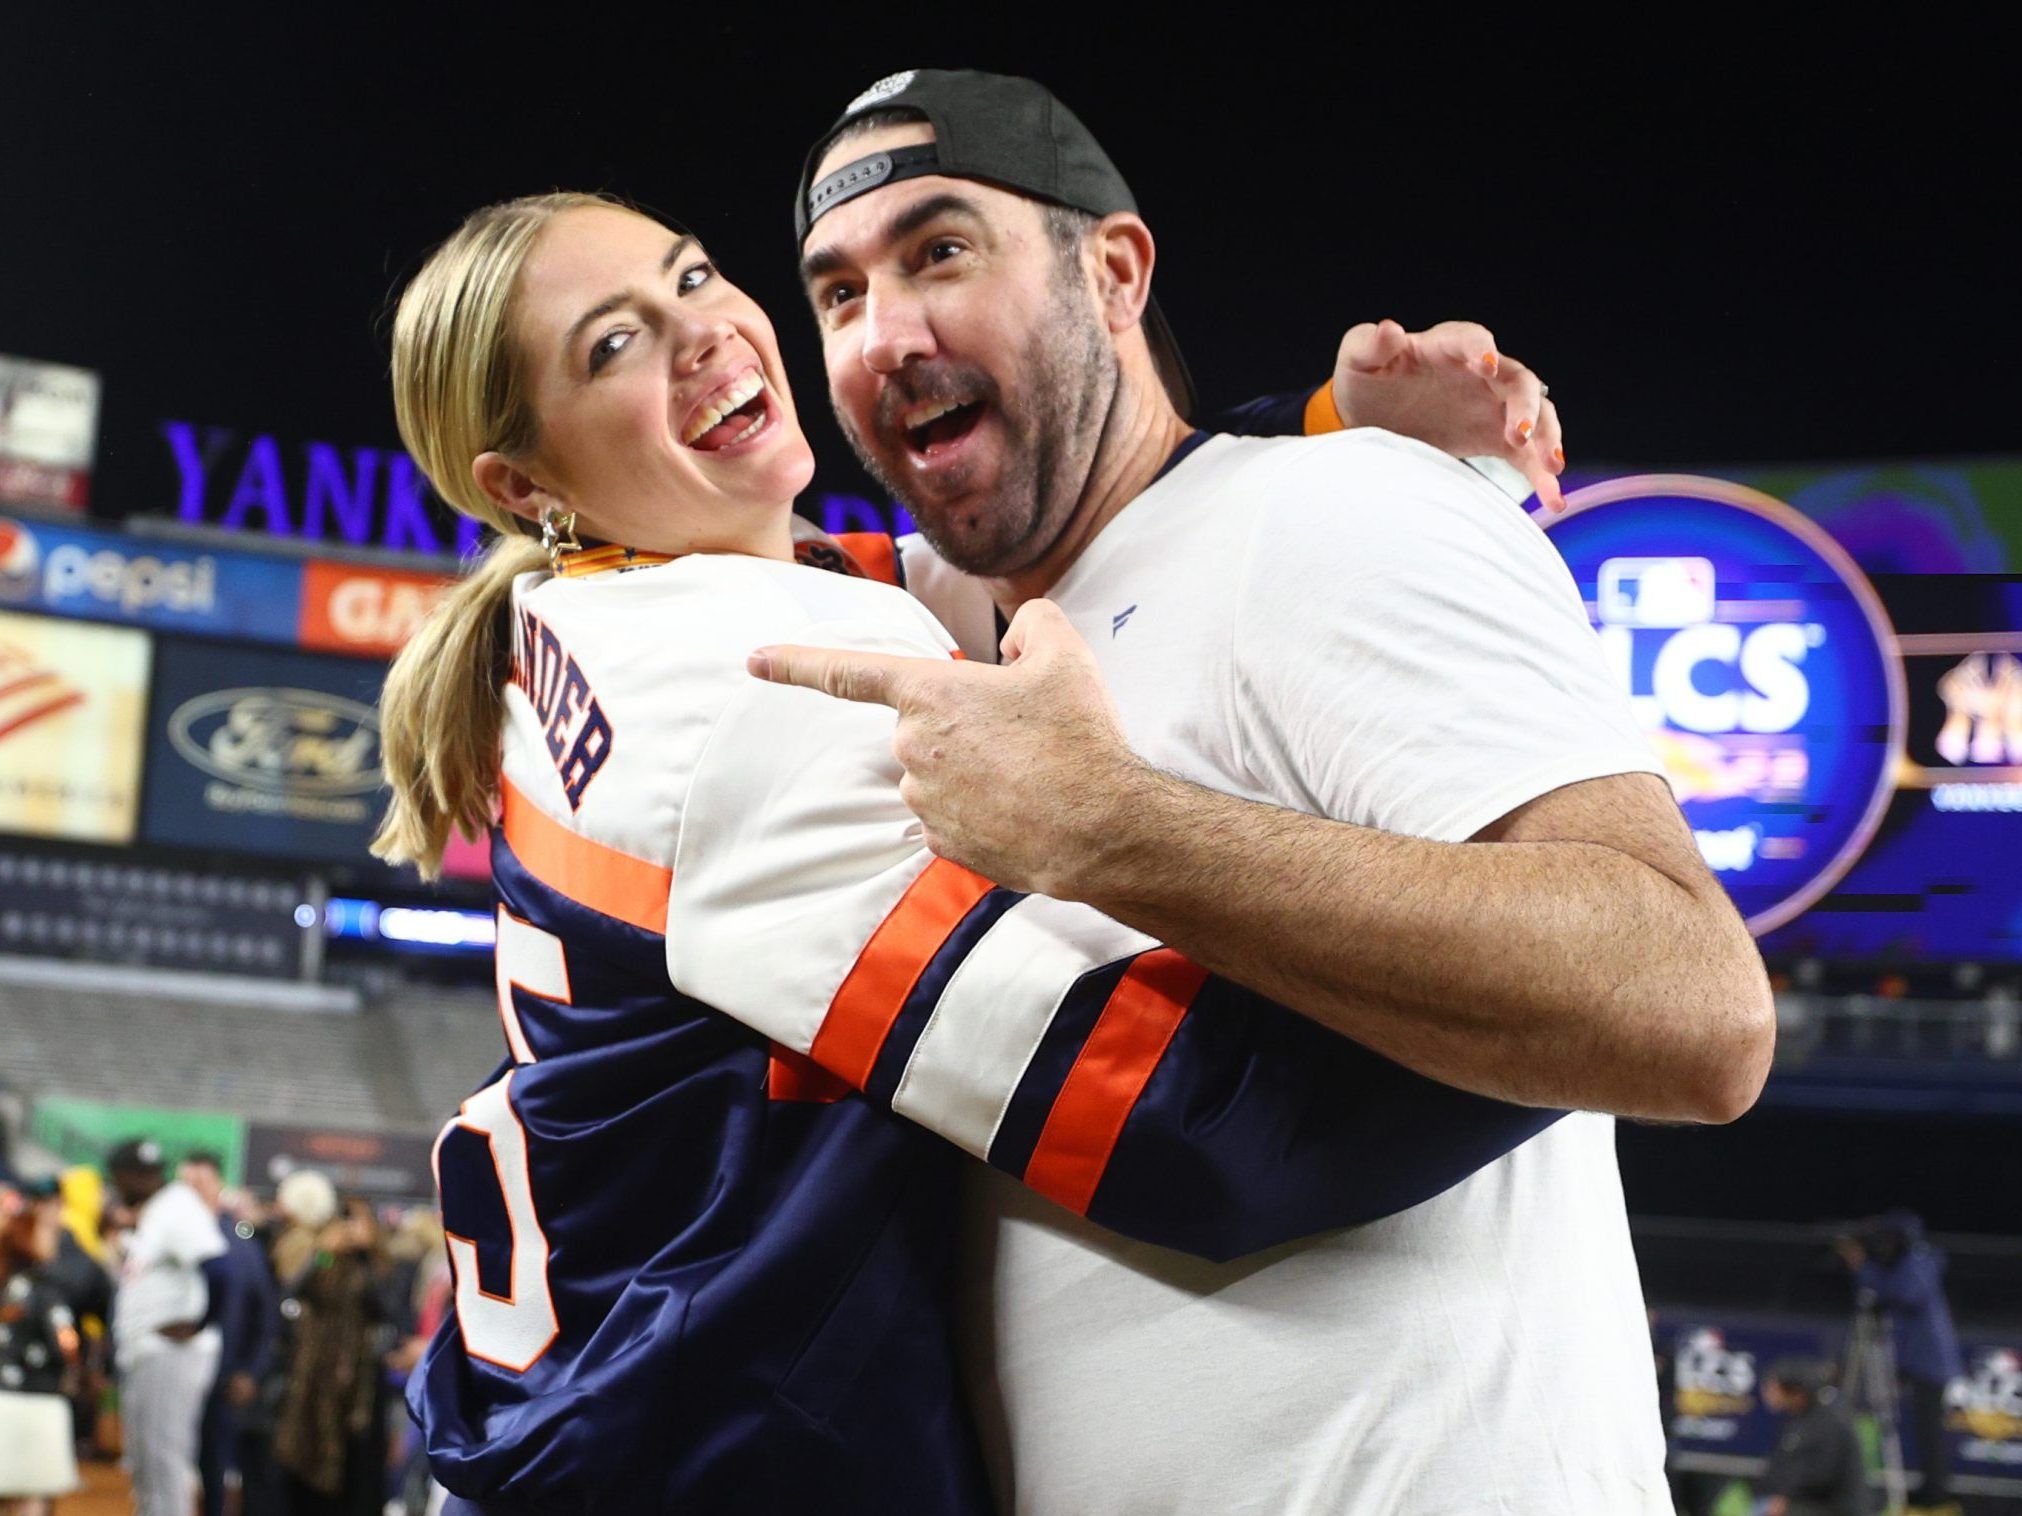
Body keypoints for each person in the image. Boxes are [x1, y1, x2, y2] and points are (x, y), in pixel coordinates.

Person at [373, 191, 1594, 1511]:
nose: (707, 336)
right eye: (613, 345)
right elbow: (1195, 1124)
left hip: (611, 1421)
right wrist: (1570, 1001)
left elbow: (1055, 536)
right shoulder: (745, 686)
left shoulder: (637, 608)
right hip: (672, 1469)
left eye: (696, 277)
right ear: (524, 484)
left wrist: (1325, 432)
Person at [752, 68, 1775, 1514]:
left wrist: (1111, 828)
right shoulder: (928, 626)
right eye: (837, 293)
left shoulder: (1338, 509)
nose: (887, 333)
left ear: (1110, 271)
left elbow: (1691, 1005)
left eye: (941, 252)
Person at [105, 1138, 227, 1516]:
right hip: (152, 1351)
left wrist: (199, 1324)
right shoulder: (160, 1207)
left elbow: (220, 1269)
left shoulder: (176, 1206)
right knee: (146, 1464)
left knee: (165, 1462)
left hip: (171, 1354)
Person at [1836, 1212, 1963, 1515]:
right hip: (1911, 1359)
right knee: (1913, 1428)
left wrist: (1864, 1267)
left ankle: (1936, 1496)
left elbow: (1908, 1294)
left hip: (1929, 1362)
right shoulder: (1905, 1263)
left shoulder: (1918, 1261)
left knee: (1928, 1431)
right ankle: (1917, 1488)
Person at [273, 1196, 392, 1516]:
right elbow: (294, 1291)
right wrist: (325, 1252)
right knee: (307, 1458)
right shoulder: (325, 1259)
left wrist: (366, 1253)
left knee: (358, 1466)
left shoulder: (376, 1264)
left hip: (360, 1384)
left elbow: (385, 1308)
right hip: (315, 1377)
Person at [179, 1152, 279, 1516]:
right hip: (172, 1376)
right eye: (186, 1185)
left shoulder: (241, 1248)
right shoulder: (167, 1239)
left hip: (221, 1381)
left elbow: (265, 1318)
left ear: (218, 1187)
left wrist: (250, 1372)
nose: (192, 1192)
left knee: (216, 1473)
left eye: (200, 1184)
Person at [0, 1171, 81, 1516]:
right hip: (35, 1401)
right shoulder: (44, 1291)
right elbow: (66, 1344)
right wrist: (76, 1365)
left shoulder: (10, 1285)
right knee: (30, 1497)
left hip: (7, 1394)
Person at [1756, 1356, 1871, 1516]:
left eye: (1774, 1389)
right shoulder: (1797, 1421)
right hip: (1801, 1502)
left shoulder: (1828, 1423)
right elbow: (1779, 1468)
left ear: (1795, 1392)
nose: (1768, 1394)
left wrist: (1786, 1498)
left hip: (1830, 1508)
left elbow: (1822, 1476)